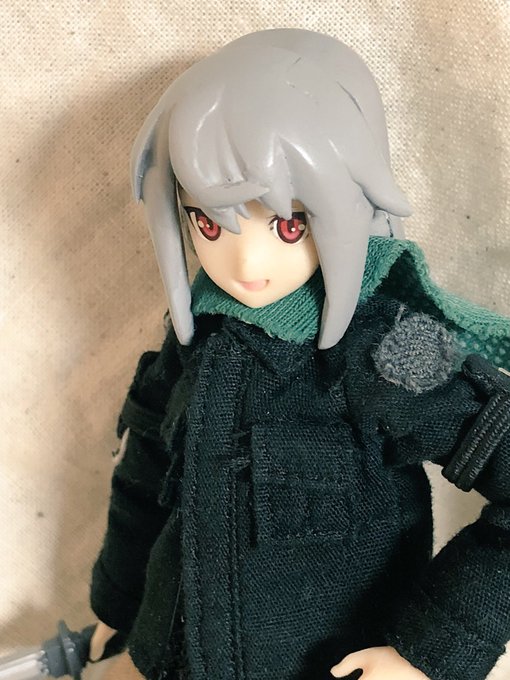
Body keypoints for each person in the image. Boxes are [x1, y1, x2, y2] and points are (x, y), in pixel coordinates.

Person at [89, 29, 510, 680]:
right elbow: (143, 474)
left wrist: (427, 650)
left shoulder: (391, 346)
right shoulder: (197, 336)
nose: (244, 262)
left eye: (288, 225)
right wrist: (117, 606)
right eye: (208, 223)